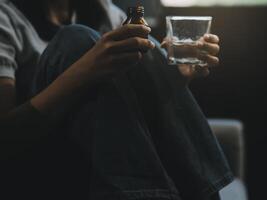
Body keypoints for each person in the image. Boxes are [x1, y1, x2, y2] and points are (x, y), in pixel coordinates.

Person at [0, 0, 233, 199]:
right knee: (76, 39)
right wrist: (83, 71)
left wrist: (173, 76)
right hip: (43, 169)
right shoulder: (6, 17)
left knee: (144, 46)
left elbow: (133, 112)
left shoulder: (106, 13)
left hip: (103, 169)